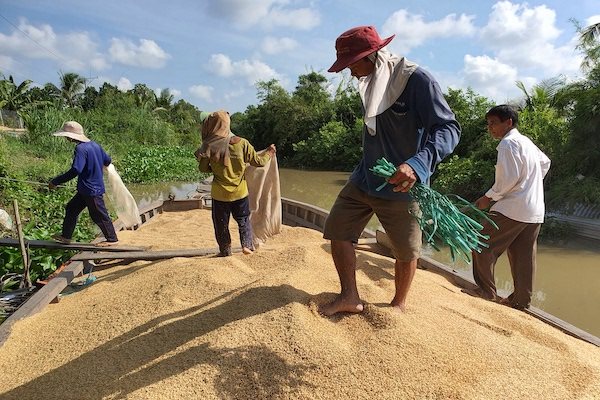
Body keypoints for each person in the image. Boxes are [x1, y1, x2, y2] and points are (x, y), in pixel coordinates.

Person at [321, 25, 461, 315]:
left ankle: (398, 305)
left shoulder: (415, 80)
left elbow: (448, 128)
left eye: (352, 64)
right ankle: (349, 296)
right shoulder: (371, 80)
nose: (350, 72)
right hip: (365, 177)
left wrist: (417, 165)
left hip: (402, 183)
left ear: (371, 55)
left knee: (406, 250)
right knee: (337, 229)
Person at [469, 105, 551, 310]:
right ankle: (521, 301)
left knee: (481, 243)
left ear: (509, 122)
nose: (491, 129)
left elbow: (508, 180)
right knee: (523, 255)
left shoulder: (508, 144)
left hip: (512, 207)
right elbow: (545, 163)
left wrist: (488, 197)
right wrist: (530, 184)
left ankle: (486, 292)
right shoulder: (527, 142)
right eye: (488, 124)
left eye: (494, 123)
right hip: (534, 210)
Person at [195, 110, 276, 256]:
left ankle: (225, 251)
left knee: (221, 224)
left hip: (220, 195)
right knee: (243, 220)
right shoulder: (242, 143)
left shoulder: (208, 145)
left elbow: (202, 168)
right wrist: (269, 153)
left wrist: (214, 165)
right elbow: (258, 162)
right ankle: (246, 245)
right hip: (240, 192)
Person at [49, 121, 119, 247]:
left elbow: (76, 169)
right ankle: (66, 237)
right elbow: (107, 160)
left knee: (99, 214)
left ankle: (112, 239)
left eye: (66, 136)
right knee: (71, 208)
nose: (66, 138)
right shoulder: (95, 146)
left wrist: (56, 181)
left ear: (71, 136)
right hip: (85, 190)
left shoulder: (80, 149)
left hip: (91, 190)